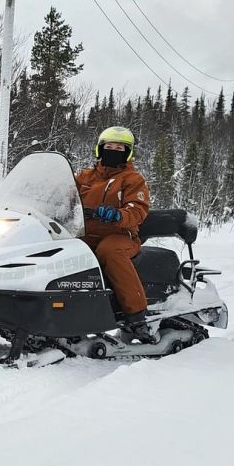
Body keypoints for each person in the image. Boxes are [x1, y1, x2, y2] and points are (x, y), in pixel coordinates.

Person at [75, 126, 157, 343]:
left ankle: (137, 315)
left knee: (109, 251)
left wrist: (117, 214)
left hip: (121, 235)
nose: (113, 150)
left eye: (119, 147)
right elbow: (64, 194)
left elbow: (138, 210)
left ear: (127, 152)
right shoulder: (84, 176)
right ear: (100, 149)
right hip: (84, 233)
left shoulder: (132, 179)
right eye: (109, 147)